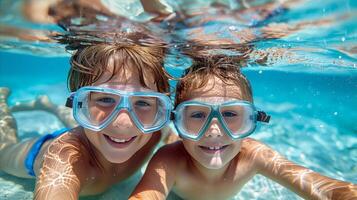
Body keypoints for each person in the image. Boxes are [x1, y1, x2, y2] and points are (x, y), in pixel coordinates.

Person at [129, 57, 357, 200]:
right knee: (165, 140)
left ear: (252, 120)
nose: (215, 131)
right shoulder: (169, 160)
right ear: (178, 123)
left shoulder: (255, 156)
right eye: (197, 115)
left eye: (230, 114)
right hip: (175, 143)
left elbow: (323, 189)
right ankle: (167, 134)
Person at [0, 41, 174, 199]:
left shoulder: (156, 131)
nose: (124, 122)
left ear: (159, 110)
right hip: (49, 148)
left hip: (94, 131)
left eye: (143, 102)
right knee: (3, 149)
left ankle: (49, 105)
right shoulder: (65, 159)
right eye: (105, 99)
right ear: (79, 104)